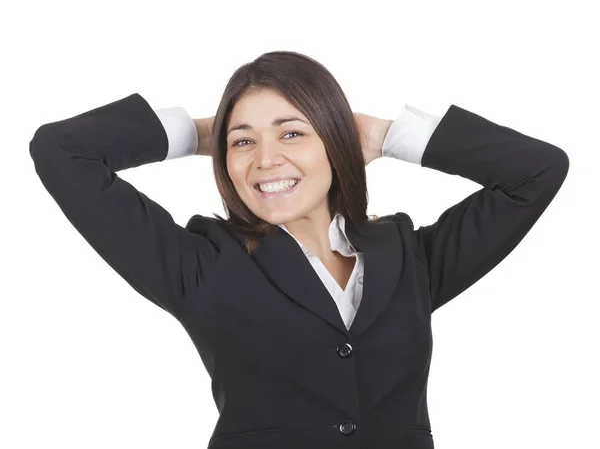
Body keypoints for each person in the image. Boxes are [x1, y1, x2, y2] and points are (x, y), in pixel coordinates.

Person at [29, 50, 569, 449]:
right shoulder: (201, 266)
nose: (265, 159)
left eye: (292, 134)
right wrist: (203, 134)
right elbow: (62, 151)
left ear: (334, 141)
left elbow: (537, 170)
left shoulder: (407, 257)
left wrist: (385, 136)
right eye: (243, 141)